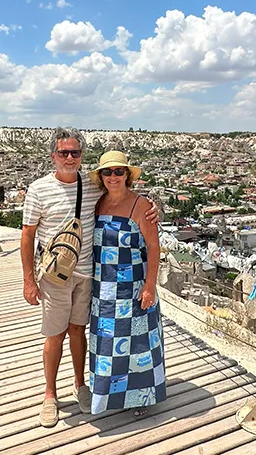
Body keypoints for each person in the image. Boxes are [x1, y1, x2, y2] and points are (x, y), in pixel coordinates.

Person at [21, 129, 159, 428]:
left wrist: (153, 208)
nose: (69, 158)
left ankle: (81, 385)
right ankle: (49, 395)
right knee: (54, 334)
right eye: (63, 153)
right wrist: (28, 280)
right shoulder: (38, 189)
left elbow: (130, 204)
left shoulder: (93, 187)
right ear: (53, 156)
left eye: (75, 153)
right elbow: (27, 235)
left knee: (79, 331)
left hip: (91, 276)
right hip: (55, 277)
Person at [86, 151, 165, 415]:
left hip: (132, 285)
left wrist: (150, 286)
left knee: (138, 343)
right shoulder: (98, 203)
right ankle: (108, 397)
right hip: (103, 288)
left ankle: (142, 399)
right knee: (108, 344)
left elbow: (154, 247)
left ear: (127, 176)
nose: (113, 177)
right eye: (107, 172)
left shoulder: (140, 206)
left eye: (119, 171)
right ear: (100, 177)